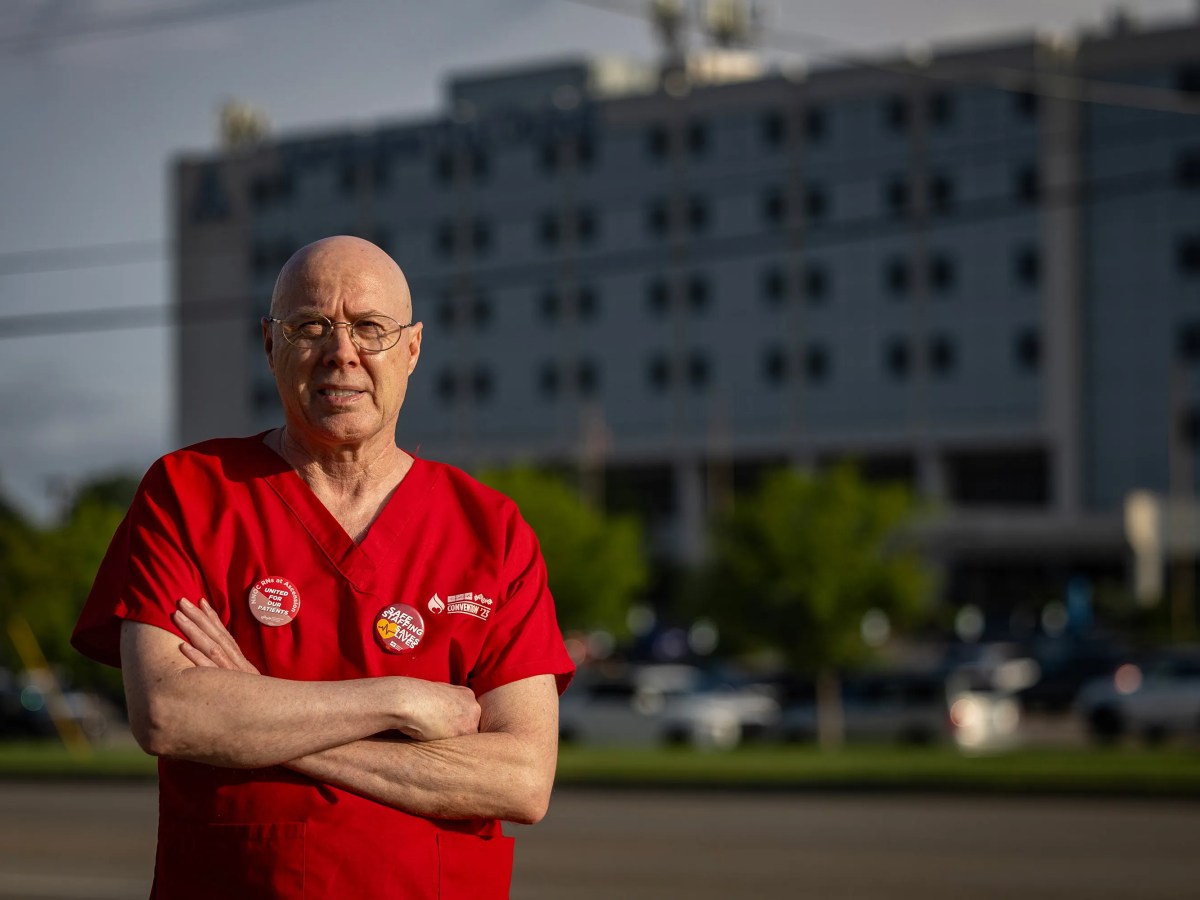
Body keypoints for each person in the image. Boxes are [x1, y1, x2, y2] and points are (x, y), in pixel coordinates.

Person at [71, 235, 575, 900]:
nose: (343, 352)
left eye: (370, 328)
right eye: (310, 326)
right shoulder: (191, 493)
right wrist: (399, 700)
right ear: (269, 344)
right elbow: (169, 712)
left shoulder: (492, 531)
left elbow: (521, 779)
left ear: (413, 348)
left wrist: (253, 711)